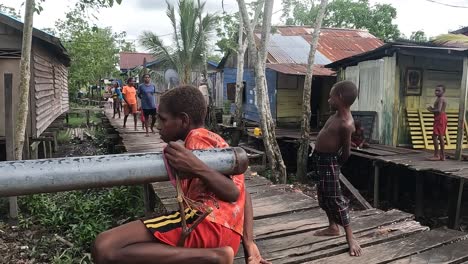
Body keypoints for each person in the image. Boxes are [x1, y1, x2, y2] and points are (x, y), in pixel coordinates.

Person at [91, 85, 268, 264]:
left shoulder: (197, 137)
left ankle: (214, 257)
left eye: (163, 120)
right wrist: (249, 242)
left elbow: (233, 192)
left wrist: (195, 166)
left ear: (183, 120)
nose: (158, 126)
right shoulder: (215, 141)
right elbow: (243, 191)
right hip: (228, 234)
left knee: (104, 246)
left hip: (205, 224)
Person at [309, 80, 362, 257]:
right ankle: (333, 226)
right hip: (320, 160)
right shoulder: (336, 115)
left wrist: (335, 166)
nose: (328, 99)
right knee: (323, 197)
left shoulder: (346, 123)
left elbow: (346, 153)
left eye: (331, 96)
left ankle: (350, 237)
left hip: (329, 162)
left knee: (335, 199)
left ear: (339, 97)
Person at [427, 85, 447, 161]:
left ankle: (437, 155)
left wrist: (430, 110)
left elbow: (439, 110)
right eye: (436, 90)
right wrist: (432, 109)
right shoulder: (439, 98)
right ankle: (442, 155)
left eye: (439, 91)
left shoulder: (441, 99)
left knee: (435, 136)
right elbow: (439, 109)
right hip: (441, 117)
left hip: (440, 118)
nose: (436, 92)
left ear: (443, 92)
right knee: (440, 136)